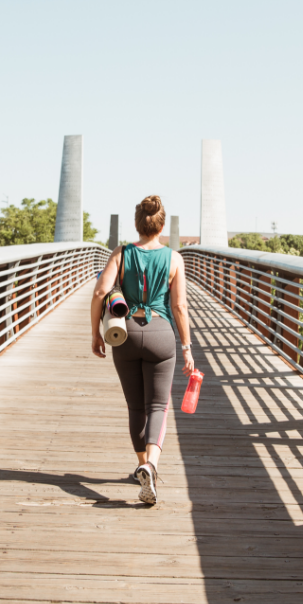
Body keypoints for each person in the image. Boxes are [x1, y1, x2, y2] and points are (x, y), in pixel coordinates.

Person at [91, 195, 196, 505]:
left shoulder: (121, 254)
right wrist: (187, 348)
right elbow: (179, 305)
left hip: (124, 333)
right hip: (161, 334)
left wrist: (95, 333)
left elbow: (100, 291)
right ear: (161, 226)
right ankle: (151, 464)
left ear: (137, 225)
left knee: (135, 406)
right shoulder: (174, 258)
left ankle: (141, 465)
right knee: (157, 406)